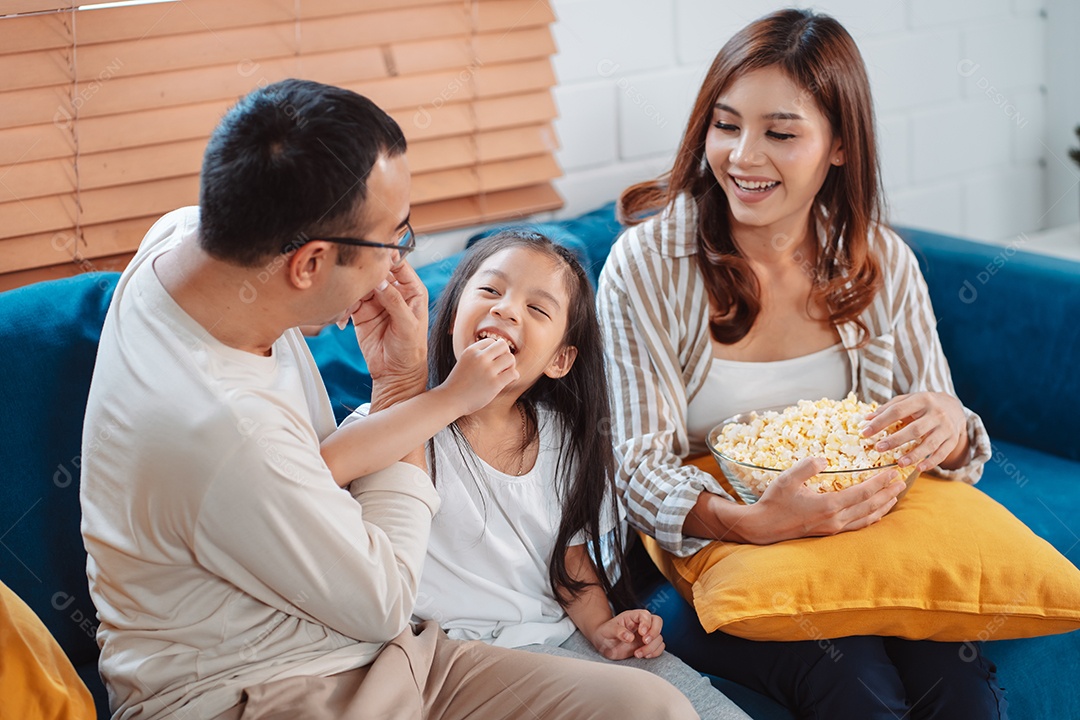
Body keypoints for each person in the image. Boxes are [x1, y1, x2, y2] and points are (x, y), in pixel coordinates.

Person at [80, 78, 698, 720]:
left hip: (386, 653)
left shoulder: (186, 237)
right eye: (393, 241)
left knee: (654, 709)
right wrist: (407, 386)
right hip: (259, 692)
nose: (400, 265)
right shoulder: (225, 433)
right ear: (309, 264)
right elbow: (386, 598)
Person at [597, 9, 1007, 720]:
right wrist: (750, 522)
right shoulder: (648, 266)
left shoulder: (881, 263)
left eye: (780, 133)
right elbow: (631, 464)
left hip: (864, 544)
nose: (742, 157)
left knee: (963, 690)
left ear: (839, 146)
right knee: (855, 686)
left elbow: (946, 438)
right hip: (714, 548)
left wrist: (952, 425)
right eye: (726, 126)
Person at [390, 230, 750, 720]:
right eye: (491, 291)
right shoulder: (399, 425)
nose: (507, 310)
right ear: (454, 312)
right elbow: (331, 469)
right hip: (457, 659)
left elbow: (570, 562)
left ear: (560, 360)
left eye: (537, 310)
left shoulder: (564, 439)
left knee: (700, 707)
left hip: (557, 633)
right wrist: (447, 400)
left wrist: (604, 628)